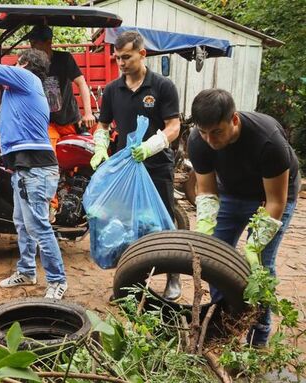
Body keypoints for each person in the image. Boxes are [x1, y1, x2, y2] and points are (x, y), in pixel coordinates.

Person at [0, 42, 68, 299]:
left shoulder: (27, 77)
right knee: (22, 223)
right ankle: (27, 271)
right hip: (24, 169)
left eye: (16, 63)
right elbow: (6, 125)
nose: (14, 67)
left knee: (38, 226)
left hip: (36, 169)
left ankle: (58, 280)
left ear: (25, 64)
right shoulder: (19, 94)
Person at [188, 88, 300, 346]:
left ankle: (257, 337)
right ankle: (223, 321)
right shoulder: (198, 140)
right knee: (214, 258)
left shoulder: (268, 142)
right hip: (231, 193)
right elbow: (205, 190)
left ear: (234, 120)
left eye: (216, 131)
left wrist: (254, 245)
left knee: (260, 266)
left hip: (271, 197)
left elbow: (276, 201)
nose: (209, 140)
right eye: (204, 132)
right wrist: (206, 230)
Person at [90, 30, 181, 300]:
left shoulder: (162, 87)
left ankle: (173, 277)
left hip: (156, 167)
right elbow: (103, 125)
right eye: (117, 58)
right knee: (128, 226)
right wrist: (99, 146)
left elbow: (174, 126)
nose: (121, 62)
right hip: (125, 170)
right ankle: (132, 284)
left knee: (164, 223)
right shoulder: (112, 90)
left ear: (142, 54)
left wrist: (150, 146)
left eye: (126, 57)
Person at [28, 25, 97, 220]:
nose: (32, 46)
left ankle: (79, 196)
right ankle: (49, 206)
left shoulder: (64, 59)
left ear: (48, 42)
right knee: (48, 159)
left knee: (87, 157)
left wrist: (88, 113)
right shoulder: (32, 63)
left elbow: (82, 83)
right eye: (31, 43)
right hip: (47, 122)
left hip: (69, 120)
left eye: (36, 43)